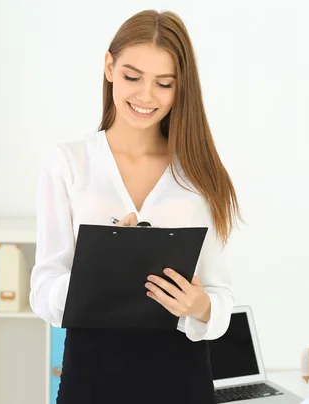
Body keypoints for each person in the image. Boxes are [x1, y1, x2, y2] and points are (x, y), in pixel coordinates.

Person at [29, 9, 241, 404]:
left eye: (164, 84)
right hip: (91, 381)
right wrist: (99, 272)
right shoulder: (68, 163)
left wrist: (201, 306)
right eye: (132, 77)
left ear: (181, 89)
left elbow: (221, 299)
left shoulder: (199, 173)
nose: (145, 96)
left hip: (183, 381)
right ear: (109, 67)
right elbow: (42, 291)